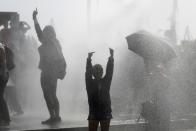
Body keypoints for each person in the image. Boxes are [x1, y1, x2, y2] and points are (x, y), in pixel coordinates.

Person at [33, 9, 66, 124]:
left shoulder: (48, 42)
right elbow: (61, 58)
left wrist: (34, 19)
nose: (44, 34)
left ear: (50, 33)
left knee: (48, 94)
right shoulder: (56, 42)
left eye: (46, 32)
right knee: (53, 94)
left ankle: (53, 116)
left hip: (48, 72)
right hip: (53, 72)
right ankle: (56, 116)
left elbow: (38, 32)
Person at [85, 48, 114, 131]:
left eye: (100, 70)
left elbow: (109, 72)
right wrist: (89, 60)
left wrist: (111, 58)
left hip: (105, 112)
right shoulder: (89, 83)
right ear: (93, 73)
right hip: (94, 112)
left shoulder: (106, 81)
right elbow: (88, 73)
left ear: (102, 72)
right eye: (96, 71)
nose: (99, 72)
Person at [0, 43, 10, 126]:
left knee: (0, 97)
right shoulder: (1, 46)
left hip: (1, 75)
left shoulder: (0, 47)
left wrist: (3, 74)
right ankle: (3, 118)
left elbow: (3, 62)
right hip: (3, 74)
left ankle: (6, 118)